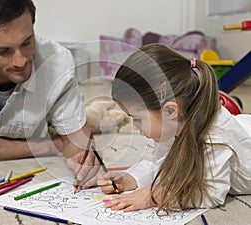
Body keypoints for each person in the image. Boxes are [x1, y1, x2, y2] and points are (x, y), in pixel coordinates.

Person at [0, 0, 98, 188]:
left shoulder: (58, 62)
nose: (20, 62)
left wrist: (82, 161)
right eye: (3, 51)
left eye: (27, 43)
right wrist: (49, 146)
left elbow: (76, 139)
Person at [97, 43, 251, 214]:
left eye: (138, 119)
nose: (135, 127)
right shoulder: (172, 123)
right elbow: (163, 167)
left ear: (170, 110)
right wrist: (130, 179)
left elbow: (211, 192)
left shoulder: (214, 137)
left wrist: (155, 195)